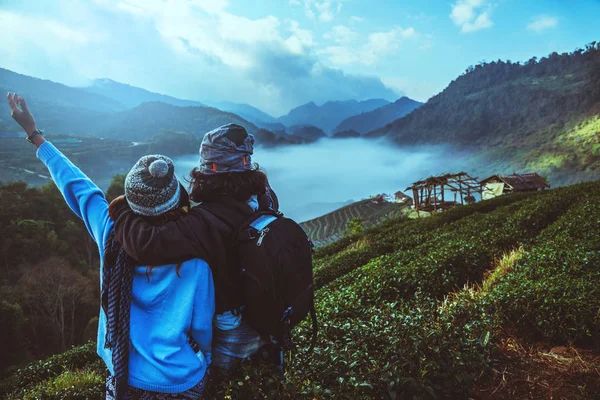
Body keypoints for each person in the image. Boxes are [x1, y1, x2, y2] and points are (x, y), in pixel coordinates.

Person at [7, 93, 214, 399]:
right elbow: (202, 331)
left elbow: (78, 187)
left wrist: (34, 135)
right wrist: (205, 360)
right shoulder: (197, 260)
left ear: (130, 197)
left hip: (124, 377)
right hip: (181, 380)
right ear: (178, 200)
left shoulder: (111, 233)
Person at [110, 123, 281, 371]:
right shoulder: (265, 196)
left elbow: (145, 244)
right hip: (268, 313)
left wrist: (125, 206)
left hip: (234, 327)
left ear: (210, 168)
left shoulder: (205, 221)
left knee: (225, 387)